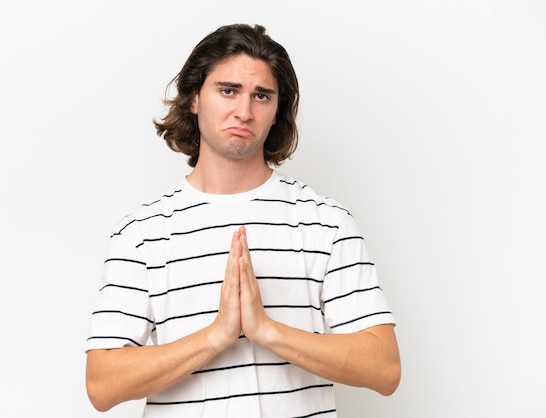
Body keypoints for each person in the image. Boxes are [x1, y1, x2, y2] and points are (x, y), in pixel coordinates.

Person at [85, 23, 401, 417]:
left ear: (276, 113)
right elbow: (102, 384)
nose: (244, 111)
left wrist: (267, 330)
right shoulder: (142, 234)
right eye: (228, 90)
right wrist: (216, 335)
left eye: (262, 96)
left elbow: (384, 368)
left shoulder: (325, 223)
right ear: (194, 98)